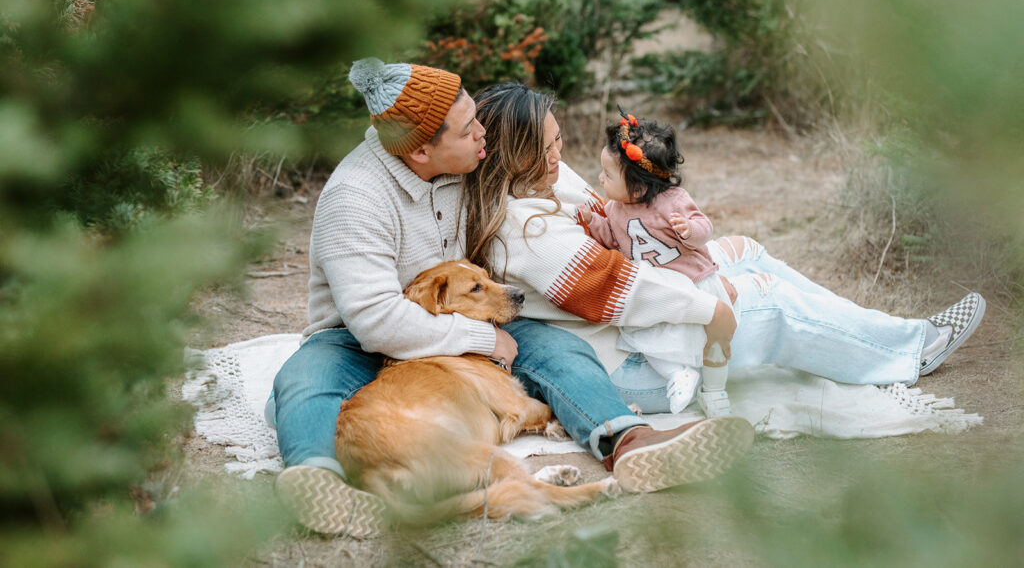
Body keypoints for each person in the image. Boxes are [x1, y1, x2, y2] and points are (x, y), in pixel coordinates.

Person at [268, 59, 754, 538]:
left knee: (557, 349)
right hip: (358, 338)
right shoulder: (356, 198)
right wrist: (482, 339)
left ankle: (627, 439)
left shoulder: (468, 160)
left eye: (476, 117)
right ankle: (321, 482)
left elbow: (545, 171)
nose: (483, 133)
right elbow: (376, 320)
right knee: (303, 377)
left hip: (472, 311)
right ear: (420, 153)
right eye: (467, 128)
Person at [463, 82, 986, 416]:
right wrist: (709, 303)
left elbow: (611, 219)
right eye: (549, 146)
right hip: (630, 356)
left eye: (558, 142)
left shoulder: (542, 181)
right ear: (517, 153)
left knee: (748, 251)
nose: (560, 153)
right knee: (764, 300)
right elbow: (616, 291)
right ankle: (910, 350)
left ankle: (868, 331)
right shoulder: (522, 230)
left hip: (639, 315)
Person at [579, 109, 734, 417]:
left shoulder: (674, 202)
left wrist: (690, 231)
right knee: (647, 339)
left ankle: (715, 392)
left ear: (637, 187)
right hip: (658, 291)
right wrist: (592, 222)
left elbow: (704, 226)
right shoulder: (615, 208)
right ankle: (678, 374)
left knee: (713, 343)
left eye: (607, 175)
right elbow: (611, 237)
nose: (600, 178)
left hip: (692, 283)